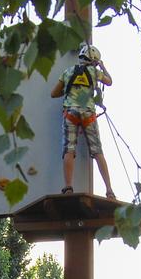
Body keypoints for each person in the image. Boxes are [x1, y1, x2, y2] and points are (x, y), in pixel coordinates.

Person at [50, 43, 116, 199]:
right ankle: (109, 190)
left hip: (70, 113)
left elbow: (54, 93)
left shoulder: (68, 72)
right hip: (88, 113)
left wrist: (69, 90)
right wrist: (102, 66)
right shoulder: (95, 72)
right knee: (97, 151)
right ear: (94, 60)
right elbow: (109, 82)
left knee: (69, 150)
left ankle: (68, 187)